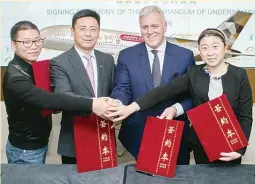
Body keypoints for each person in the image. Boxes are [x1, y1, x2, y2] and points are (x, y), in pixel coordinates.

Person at [107, 28, 253, 164]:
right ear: (200, 52)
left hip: (231, 143)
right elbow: (163, 91)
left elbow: (246, 116)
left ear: (225, 48)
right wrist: (131, 107)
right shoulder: (194, 73)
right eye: (204, 48)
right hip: (201, 144)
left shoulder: (239, 75)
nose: (210, 52)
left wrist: (240, 149)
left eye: (215, 47)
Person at [2, 20, 110, 164]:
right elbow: (47, 99)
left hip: (36, 143)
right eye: (26, 42)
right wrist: (92, 104)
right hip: (25, 150)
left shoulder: (32, 67)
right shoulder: (16, 78)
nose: (33, 47)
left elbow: (45, 103)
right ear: (13, 45)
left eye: (37, 41)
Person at [109, 5, 195, 164]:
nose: (150, 31)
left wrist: (175, 109)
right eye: (145, 27)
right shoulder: (127, 56)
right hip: (136, 135)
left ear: (165, 26)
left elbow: (192, 96)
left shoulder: (185, 56)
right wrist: (118, 104)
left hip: (175, 134)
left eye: (155, 26)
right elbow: (122, 88)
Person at [50, 9, 115, 164]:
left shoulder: (107, 60)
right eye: (82, 29)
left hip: (103, 138)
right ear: (73, 31)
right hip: (74, 141)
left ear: (99, 32)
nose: (88, 34)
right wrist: (94, 104)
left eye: (93, 29)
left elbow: (113, 91)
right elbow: (63, 96)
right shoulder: (59, 62)